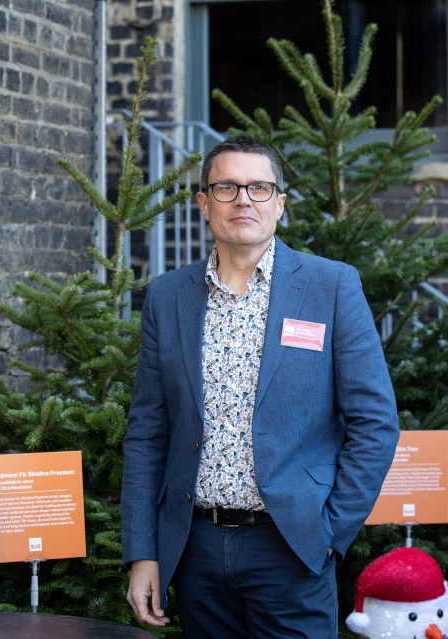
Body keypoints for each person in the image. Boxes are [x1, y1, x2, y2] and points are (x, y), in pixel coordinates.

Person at [121, 135, 400, 638]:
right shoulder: (167, 296)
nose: (243, 200)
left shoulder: (331, 287)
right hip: (196, 550)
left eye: (259, 188)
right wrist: (144, 552)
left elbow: (375, 422)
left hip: (292, 545)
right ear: (204, 203)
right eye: (226, 187)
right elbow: (147, 433)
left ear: (280, 203)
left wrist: (330, 532)